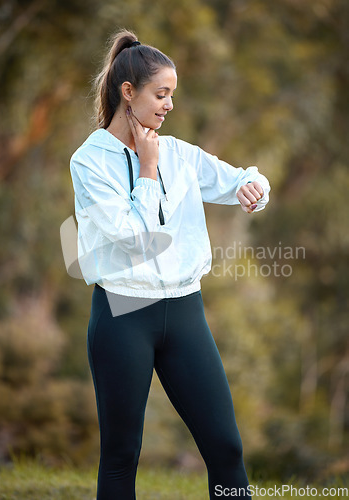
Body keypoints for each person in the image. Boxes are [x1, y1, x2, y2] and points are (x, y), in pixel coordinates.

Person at [70, 28, 270, 500]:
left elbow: (243, 176)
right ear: (128, 93)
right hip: (122, 316)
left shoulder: (179, 153)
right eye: (161, 94)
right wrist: (146, 168)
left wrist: (253, 188)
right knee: (121, 457)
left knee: (226, 448)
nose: (168, 106)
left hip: (185, 313)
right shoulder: (89, 162)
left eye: (171, 95)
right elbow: (134, 238)